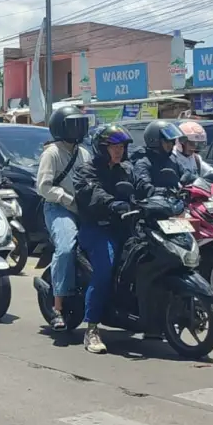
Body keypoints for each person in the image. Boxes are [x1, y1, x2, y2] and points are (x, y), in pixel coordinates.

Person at [72, 124, 141, 353]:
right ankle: (91, 328)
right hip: (96, 228)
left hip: (125, 226)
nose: (119, 151)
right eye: (114, 147)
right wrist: (112, 203)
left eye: (121, 147)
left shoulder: (127, 169)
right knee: (105, 269)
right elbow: (92, 192)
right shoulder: (87, 170)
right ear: (102, 148)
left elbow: (141, 188)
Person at [37, 105, 94, 330]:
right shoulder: (51, 153)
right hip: (57, 208)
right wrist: (66, 199)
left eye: (81, 123)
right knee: (66, 247)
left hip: (83, 208)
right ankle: (58, 306)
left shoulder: (84, 153)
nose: (78, 128)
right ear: (61, 127)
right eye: (73, 124)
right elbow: (44, 187)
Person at [133, 120, 188, 193]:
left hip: (176, 202)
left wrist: (191, 178)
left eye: (173, 141)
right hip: (154, 203)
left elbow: (185, 173)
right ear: (155, 140)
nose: (171, 144)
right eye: (167, 141)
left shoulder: (172, 159)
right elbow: (143, 186)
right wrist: (163, 191)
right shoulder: (143, 163)